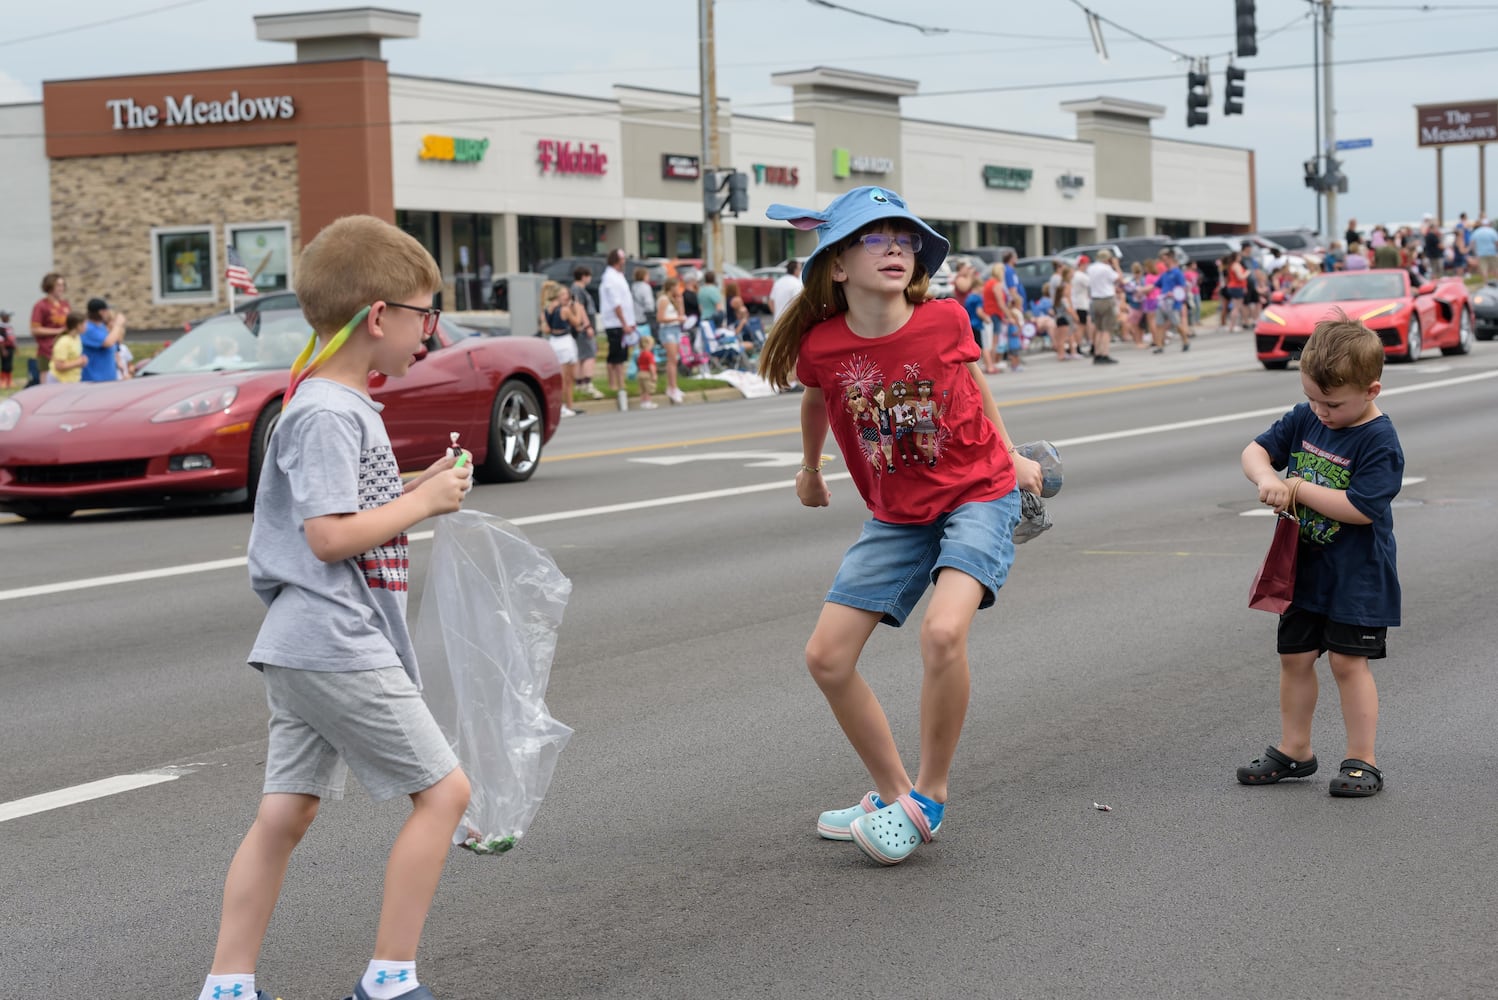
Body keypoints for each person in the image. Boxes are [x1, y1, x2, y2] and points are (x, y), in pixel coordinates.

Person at [198, 214, 475, 1000]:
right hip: (334, 638)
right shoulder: (327, 410)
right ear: (378, 316)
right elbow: (328, 537)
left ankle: (227, 987)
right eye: (426, 313)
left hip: (304, 644)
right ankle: (389, 980)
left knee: (285, 816)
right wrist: (422, 508)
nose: (433, 329)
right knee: (446, 795)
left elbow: (347, 514)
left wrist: (420, 489)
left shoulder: (334, 405)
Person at [757, 185, 1043, 866]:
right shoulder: (825, 346)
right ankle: (896, 793)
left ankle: (929, 797)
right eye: (873, 237)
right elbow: (817, 400)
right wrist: (808, 468)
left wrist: (1011, 454)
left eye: (904, 237)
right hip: (898, 515)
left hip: (978, 494)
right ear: (836, 264)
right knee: (826, 658)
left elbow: (977, 390)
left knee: (943, 633)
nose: (894, 247)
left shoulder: (944, 319)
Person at [1237, 316, 1402, 799]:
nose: (1321, 411)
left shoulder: (1379, 441)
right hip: (1302, 568)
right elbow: (1254, 451)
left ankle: (1362, 760)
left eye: (1332, 403)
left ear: (1371, 390)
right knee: (1295, 657)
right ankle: (1295, 749)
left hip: (1358, 575)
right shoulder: (1306, 417)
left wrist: (1297, 487)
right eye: (1313, 398)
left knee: (1349, 663)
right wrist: (1266, 478)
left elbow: (1360, 509)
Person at [597, 248, 637, 398]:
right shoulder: (610, 278)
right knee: (615, 355)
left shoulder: (619, 276)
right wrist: (624, 322)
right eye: (622, 258)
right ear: (616, 260)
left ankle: (621, 382)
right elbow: (616, 304)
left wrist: (630, 321)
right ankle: (614, 383)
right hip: (614, 323)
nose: (624, 261)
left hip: (624, 322)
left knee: (622, 354)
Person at [541, 281, 581, 418]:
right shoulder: (564, 309)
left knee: (564, 377)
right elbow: (577, 322)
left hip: (553, 341)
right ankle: (565, 406)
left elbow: (546, 328)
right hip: (565, 341)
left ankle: (568, 406)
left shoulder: (547, 309)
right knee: (567, 378)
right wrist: (577, 308)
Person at [569, 266, 604, 400]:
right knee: (589, 354)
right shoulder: (578, 290)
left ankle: (579, 384)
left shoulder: (575, 289)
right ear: (583, 276)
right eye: (588, 276)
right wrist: (587, 325)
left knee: (580, 355)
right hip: (583, 328)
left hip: (579, 328)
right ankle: (587, 383)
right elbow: (580, 307)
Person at [29, 272, 69, 387]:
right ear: (49, 286)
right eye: (58, 285)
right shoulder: (41, 306)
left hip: (64, 349)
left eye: (63, 285)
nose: (61, 288)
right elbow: (35, 329)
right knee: (47, 385)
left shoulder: (65, 304)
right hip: (47, 350)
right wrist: (58, 331)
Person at [655, 276, 686, 405]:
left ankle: (674, 386)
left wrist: (680, 302)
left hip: (675, 329)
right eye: (677, 287)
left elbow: (681, 314)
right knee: (672, 359)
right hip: (667, 329)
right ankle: (671, 387)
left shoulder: (673, 300)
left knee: (675, 359)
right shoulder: (663, 299)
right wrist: (676, 319)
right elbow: (660, 318)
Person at [80, 297, 126, 382]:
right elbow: (108, 342)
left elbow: (114, 345)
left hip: (109, 378)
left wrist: (118, 361)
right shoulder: (88, 328)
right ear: (101, 312)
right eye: (107, 310)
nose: (109, 313)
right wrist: (118, 324)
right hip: (94, 380)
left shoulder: (101, 327)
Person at [1085, 250, 1119, 364]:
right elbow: (1118, 278)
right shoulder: (1106, 268)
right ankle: (1105, 353)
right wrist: (1116, 266)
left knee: (1098, 329)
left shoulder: (1091, 268)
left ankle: (1097, 353)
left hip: (1095, 299)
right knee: (1106, 329)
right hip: (1106, 298)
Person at [1155, 249, 1191, 352]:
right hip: (1162, 302)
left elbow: (1183, 287)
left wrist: (1174, 294)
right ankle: (1159, 346)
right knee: (1159, 324)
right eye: (1162, 260)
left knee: (1177, 323)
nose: (1164, 262)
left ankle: (1185, 341)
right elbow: (1156, 285)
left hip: (1173, 302)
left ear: (1171, 259)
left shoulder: (1177, 273)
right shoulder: (1165, 274)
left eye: (1165, 259)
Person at [48, 311, 87, 383]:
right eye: (84, 324)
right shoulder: (64, 342)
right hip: (59, 381)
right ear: (78, 325)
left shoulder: (77, 338)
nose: (86, 327)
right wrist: (78, 362)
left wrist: (82, 360)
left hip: (71, 380)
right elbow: (59, 366)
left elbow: (73, 357)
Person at [630, 266, 655, 342]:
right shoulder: (646, 287)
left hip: (634, 318)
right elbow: (649, 305)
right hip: (645, 318)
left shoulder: (633, 286)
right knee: (646, 341)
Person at [635, 332, 659, 409]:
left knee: (642, 389)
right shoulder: (649, 354)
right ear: (648, 345)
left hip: (640, 373)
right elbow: (651, 365)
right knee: (648, 389)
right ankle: (648, 402)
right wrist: (654, 374)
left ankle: (643, 402)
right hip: (647, 373)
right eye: (652, 345)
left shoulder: (641, 354)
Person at [0, 309, 15, 388]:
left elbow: (12, 337)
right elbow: (1, 339)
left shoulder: (9, 326)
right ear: (3, 317)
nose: (9, 318)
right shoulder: (1, 327)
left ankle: (9, 381)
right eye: (7, 316)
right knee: (5, 364)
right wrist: (3, 350)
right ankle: (3, 381)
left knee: (9, 364)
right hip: (5, 348)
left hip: (10, 347)